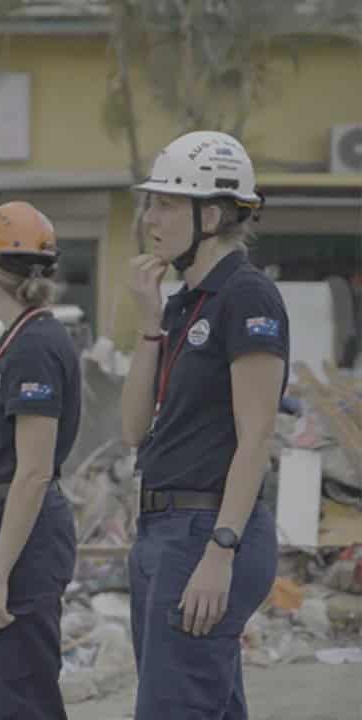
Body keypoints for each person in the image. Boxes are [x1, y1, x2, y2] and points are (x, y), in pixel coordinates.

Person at [121, 130, 285, 718]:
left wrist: (221, 551)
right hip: (163, 530)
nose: (150, 217)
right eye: (151, 202)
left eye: (165, 203)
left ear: (211, 215)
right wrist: (147, 324)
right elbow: (135, 429)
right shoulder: (183, 304)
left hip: (208, 531)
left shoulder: (249, 298)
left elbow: (256, 436)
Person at [0, 201, 80, 720]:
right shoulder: (16, 341)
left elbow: (33, 470)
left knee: (16, 697)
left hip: (17, 529)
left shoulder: (36, 347)